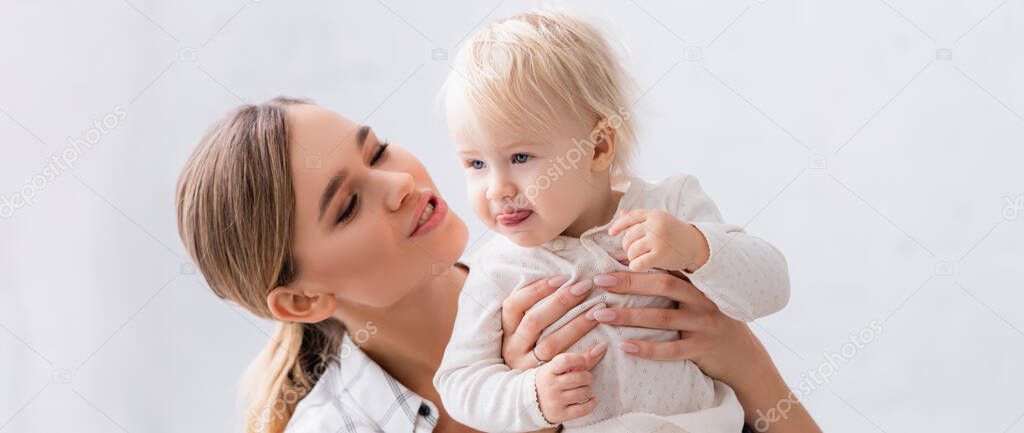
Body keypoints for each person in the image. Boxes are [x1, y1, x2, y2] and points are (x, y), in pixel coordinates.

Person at [175, 97, 820, 433]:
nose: (398, 181)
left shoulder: (580, 246)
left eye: (377, 151)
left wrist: (739, 355)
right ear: (301, 301)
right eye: (347, 205)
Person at [434, 9, 790, 433]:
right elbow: (458, 382)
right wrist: (530, 396)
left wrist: (697, 247)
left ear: (599, 147)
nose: (497, 188)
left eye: (520, 157)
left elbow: (773, 287)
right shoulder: (496, 270)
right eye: (475, 163)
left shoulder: (670, 205)